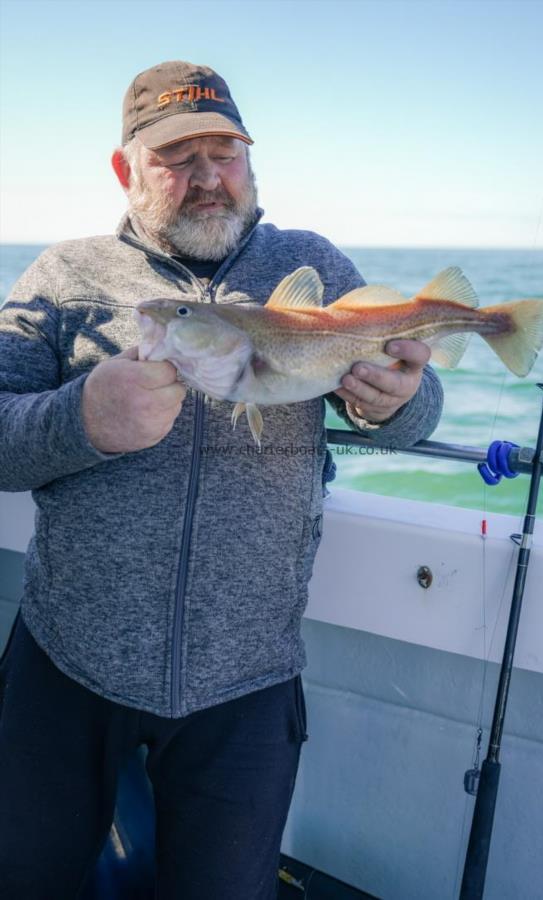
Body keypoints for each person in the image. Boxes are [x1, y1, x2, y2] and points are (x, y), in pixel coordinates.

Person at [0, 61, 443, 899]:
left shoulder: (312, 264)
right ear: (127, 171)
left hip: (247, 679)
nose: (208, 178)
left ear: (249, 160)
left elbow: (417, 410)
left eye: (225, 153)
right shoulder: (65, 277)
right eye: (176, 158)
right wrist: (80, 420)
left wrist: (398, 400)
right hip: (64, 664)